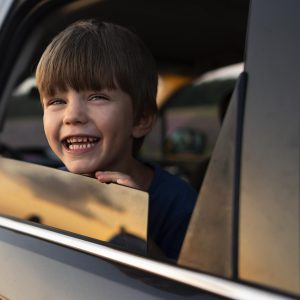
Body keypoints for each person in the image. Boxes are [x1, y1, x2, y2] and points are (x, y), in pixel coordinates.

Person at [35, 20, 197, 260]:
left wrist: (135, 234)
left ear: (140, 119)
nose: (72, 116)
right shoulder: (43, 190)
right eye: (57, 101)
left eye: (97, 97)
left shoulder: (178, 203)